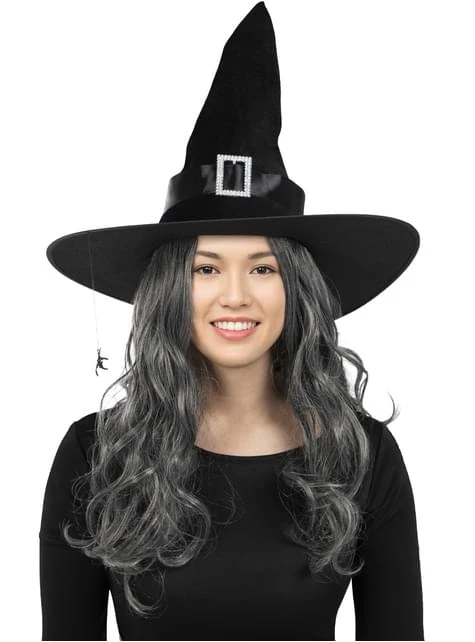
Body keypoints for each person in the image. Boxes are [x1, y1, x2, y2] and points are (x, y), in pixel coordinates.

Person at [39, 3, 424, 640]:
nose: (236, 296)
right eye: (206, 269)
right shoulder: (96, 455)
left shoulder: (360, 455)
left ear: (296, 288)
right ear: (169, 288)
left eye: (263, 268)